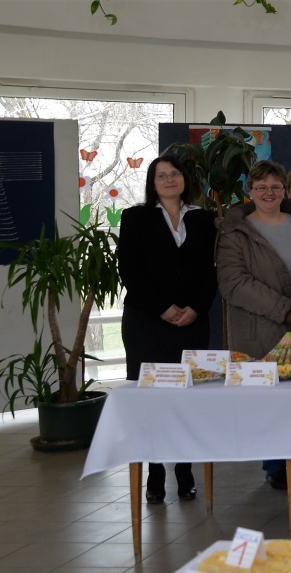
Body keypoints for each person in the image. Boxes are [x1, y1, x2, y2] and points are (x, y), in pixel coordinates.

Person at [216, 160, 291, 488]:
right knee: (272, 401)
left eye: (275, 186)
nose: (269, 192)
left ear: (284, 190)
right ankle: (277, 466)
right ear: (249, 192)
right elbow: (233, 282)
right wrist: (288, 310)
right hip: (262, 327)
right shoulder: (234, 231)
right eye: (261, 187)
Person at [117, 156, 216, 503]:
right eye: (162, 175)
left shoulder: (203, 218)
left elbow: (210, 272)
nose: (169, 179)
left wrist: (196, 308)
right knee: (153, 399)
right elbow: (129, 269)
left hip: (191, 322)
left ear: (185, 179)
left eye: (175, 174)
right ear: (152, 182)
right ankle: (155, 471)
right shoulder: (135, 217)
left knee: (186, 397)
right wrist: (162, 307)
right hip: (147, 322)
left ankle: (184, 470)